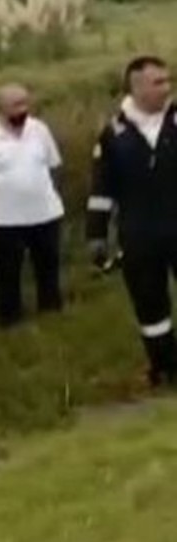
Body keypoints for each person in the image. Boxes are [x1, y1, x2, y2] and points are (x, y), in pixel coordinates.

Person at [89, 56, 177, 386]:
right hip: (140, 234)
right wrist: (96, 236)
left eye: (168, 81)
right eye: (158, 82)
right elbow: (101, 189)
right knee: (150, 306)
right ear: (136, 86)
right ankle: (165, 366)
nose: (166, 88)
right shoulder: (114, 134)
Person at [0, 84, 66, 327]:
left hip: (45, 213)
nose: (22, 110)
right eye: (16, 105)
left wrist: (44, 192)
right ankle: (10, 317)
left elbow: (54, 166)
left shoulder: (40, 130)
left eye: (25, 103)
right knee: (8, 271)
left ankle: (51, 307)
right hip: (5, 220)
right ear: (0, 109)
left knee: (48, 265)